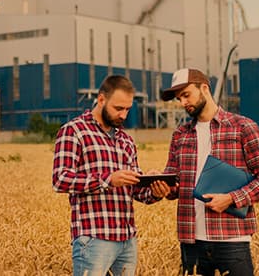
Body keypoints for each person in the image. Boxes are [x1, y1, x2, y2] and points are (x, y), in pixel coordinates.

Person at [146, 68, 259, 276]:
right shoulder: (180, 135)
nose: (182, 103)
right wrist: (161, 185)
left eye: (186, 95)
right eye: (179, 98)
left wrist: (231, 198)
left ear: (205, 88)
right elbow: (174, 186)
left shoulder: (242, 127)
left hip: (232, 240)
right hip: (191, 241)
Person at [52, 74, 171, 276]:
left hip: (127, 240)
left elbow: (134, 190)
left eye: (127, 109)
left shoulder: (126, 140)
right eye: (118, 108)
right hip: (94, 238)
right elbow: (60, 179)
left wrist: (154, 190)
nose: (123, 115)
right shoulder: (74, 131)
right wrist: (108, 179)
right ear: (101, 99)